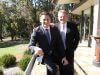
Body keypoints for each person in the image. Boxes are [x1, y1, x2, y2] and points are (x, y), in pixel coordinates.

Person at [56, 10, 80, 75]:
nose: (62, 18)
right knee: (61, 68)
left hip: (69, 51)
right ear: (58, 17)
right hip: (59, 52)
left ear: (67, 17)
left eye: (64, 16)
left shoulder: (73, 26)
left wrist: (73, 48)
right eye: (60, 16)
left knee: (70, 68)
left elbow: (77, 38)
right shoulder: (55, 26)